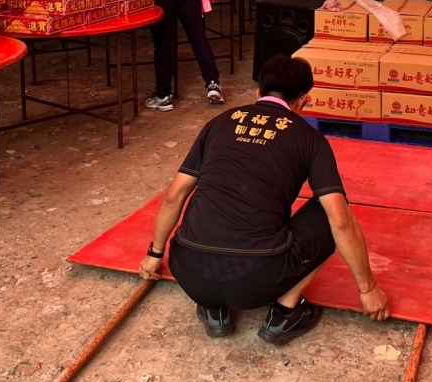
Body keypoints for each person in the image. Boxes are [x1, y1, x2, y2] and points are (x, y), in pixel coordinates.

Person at [138, 55, 390, 344]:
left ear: (258, 93)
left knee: (208, 202)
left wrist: (155, 254)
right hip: (255, 280)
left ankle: (213, 309)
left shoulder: (219, 123)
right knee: (330, 210)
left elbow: (174, 196)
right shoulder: (310, 140)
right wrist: (368, 289)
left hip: (189, 271)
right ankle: (285, 313)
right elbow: (341, 222)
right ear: (303, 101)